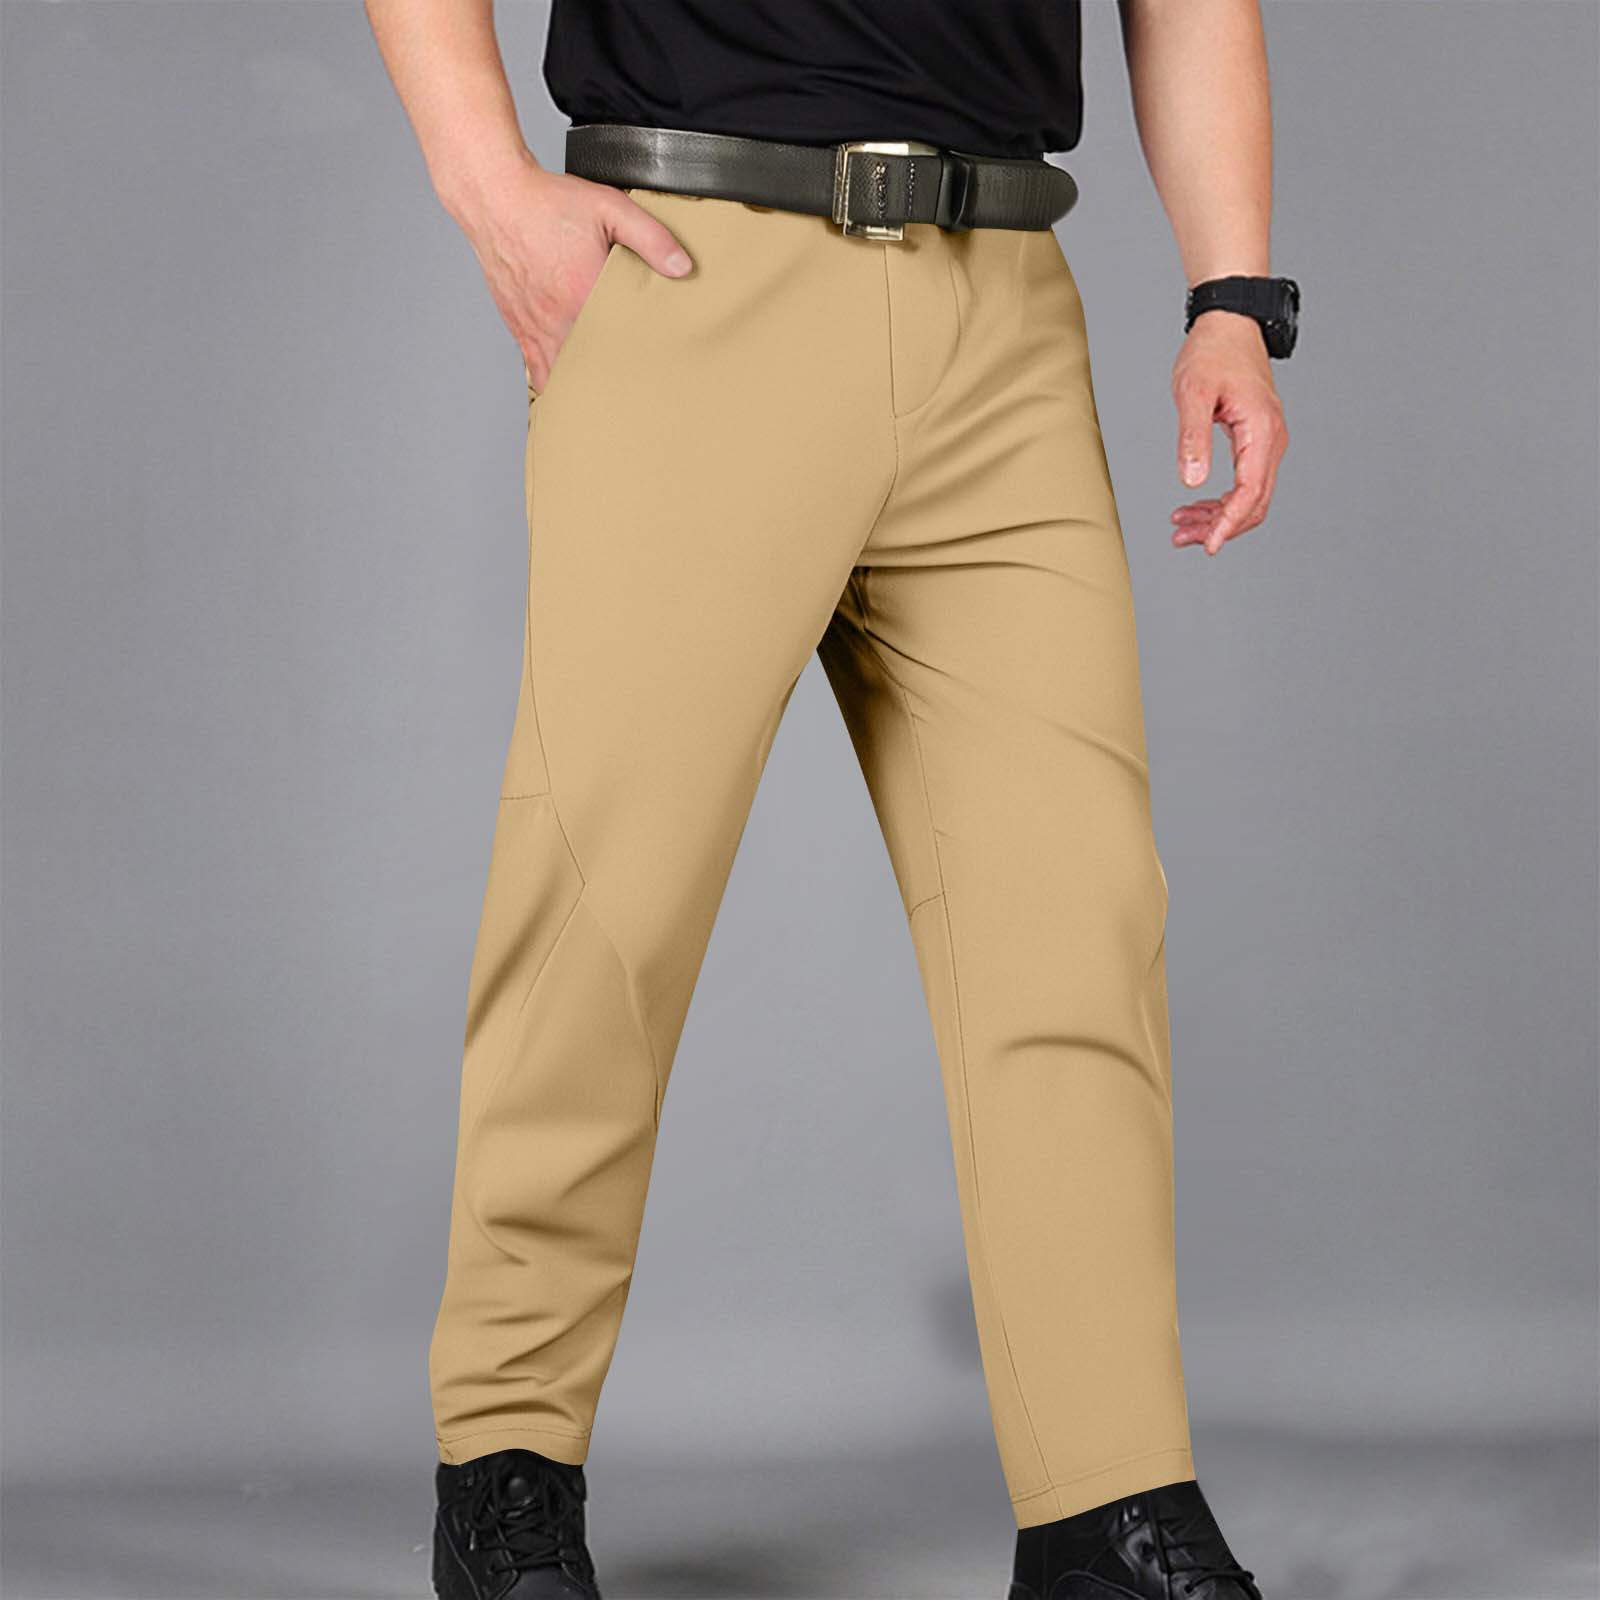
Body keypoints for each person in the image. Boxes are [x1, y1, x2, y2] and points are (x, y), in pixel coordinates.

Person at [364, 3, 1296, 1597]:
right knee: (604, 910)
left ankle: (1109, 1505)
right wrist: (485, 179)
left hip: (1004, 299)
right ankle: (504, 1472)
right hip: (702, 263)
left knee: (1071, 924)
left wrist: (1232, 296)